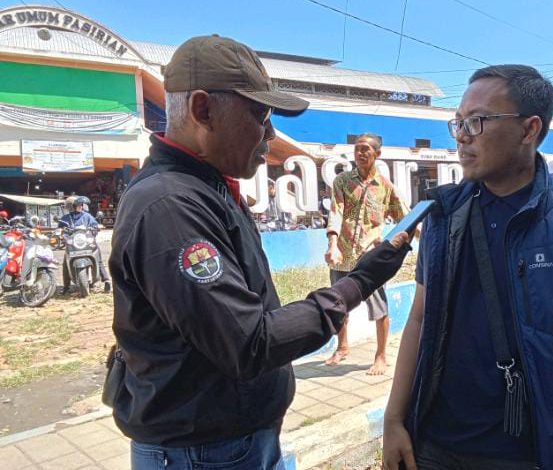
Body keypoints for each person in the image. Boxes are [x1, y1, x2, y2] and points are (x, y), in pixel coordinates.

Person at [107, 35, 410, 470]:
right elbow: (249, 342)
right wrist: (358, 282)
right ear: (202, 110)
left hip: (232, 442)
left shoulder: (208, 187)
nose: (270, 135)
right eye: (260, 116)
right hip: (204, 455)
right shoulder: (170, 208)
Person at [382, 65, 553, 470]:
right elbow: (420, 320)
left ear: (529, 130)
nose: (461, 135)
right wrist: (393, 419)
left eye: (477, 122)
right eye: (458, 122)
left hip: (532, 452)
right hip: (436, 445)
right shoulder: (443, 213)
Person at [324, 133, 409, 375]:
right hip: (342, 255)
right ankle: (342, 347)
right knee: (338, 304)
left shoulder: (384, 186)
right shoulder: (341, 181)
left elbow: (405, 217)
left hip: (371, 259)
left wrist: (412, 241)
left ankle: (381, 356)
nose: (360, 153)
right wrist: (332, 244)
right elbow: (336, 213)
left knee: (379, 308)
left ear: (377, 154)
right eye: (357, 149)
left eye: (365, 150)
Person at [59, 196, 111, 293]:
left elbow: (95, 225)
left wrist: (95, 230)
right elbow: (60, 229)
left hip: (86, 242)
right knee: (65, 263)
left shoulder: (87, 216)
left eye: (81, 205)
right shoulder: (65, 218)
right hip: (72, 244)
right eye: (78, 205)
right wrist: (62, 236)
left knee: (98, 259)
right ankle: (66, 286)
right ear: (72, 206)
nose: (81, 207)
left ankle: (106, 280)